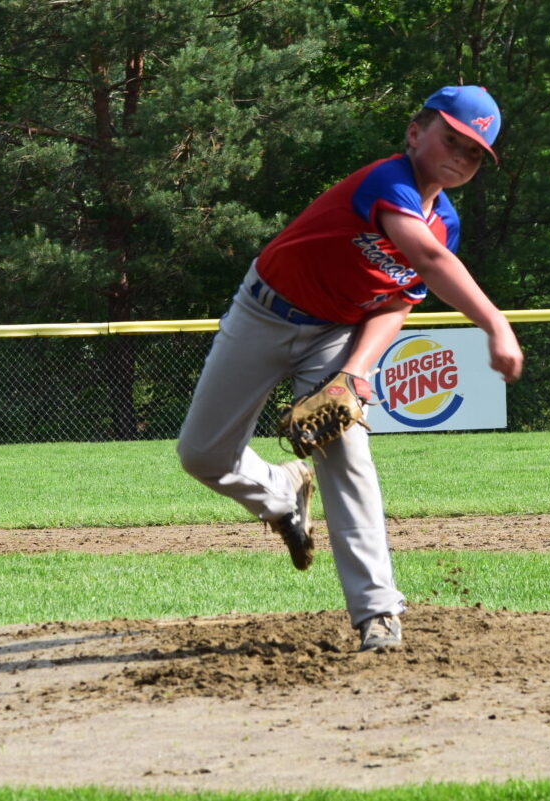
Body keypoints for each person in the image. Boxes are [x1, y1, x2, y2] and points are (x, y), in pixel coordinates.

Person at [177, 85, 523, 652]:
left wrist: (356, 371)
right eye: (452, 139)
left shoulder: (447, 224)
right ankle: (280, 491)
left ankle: (377, 613)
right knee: (202, 455)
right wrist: (495, 324)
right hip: (263, 314)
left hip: (335, 335)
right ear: (415, 133)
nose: (461, 157)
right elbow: (430, 262)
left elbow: (398, 301)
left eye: (475, 153)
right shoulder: (387, 182)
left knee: (348, 453)